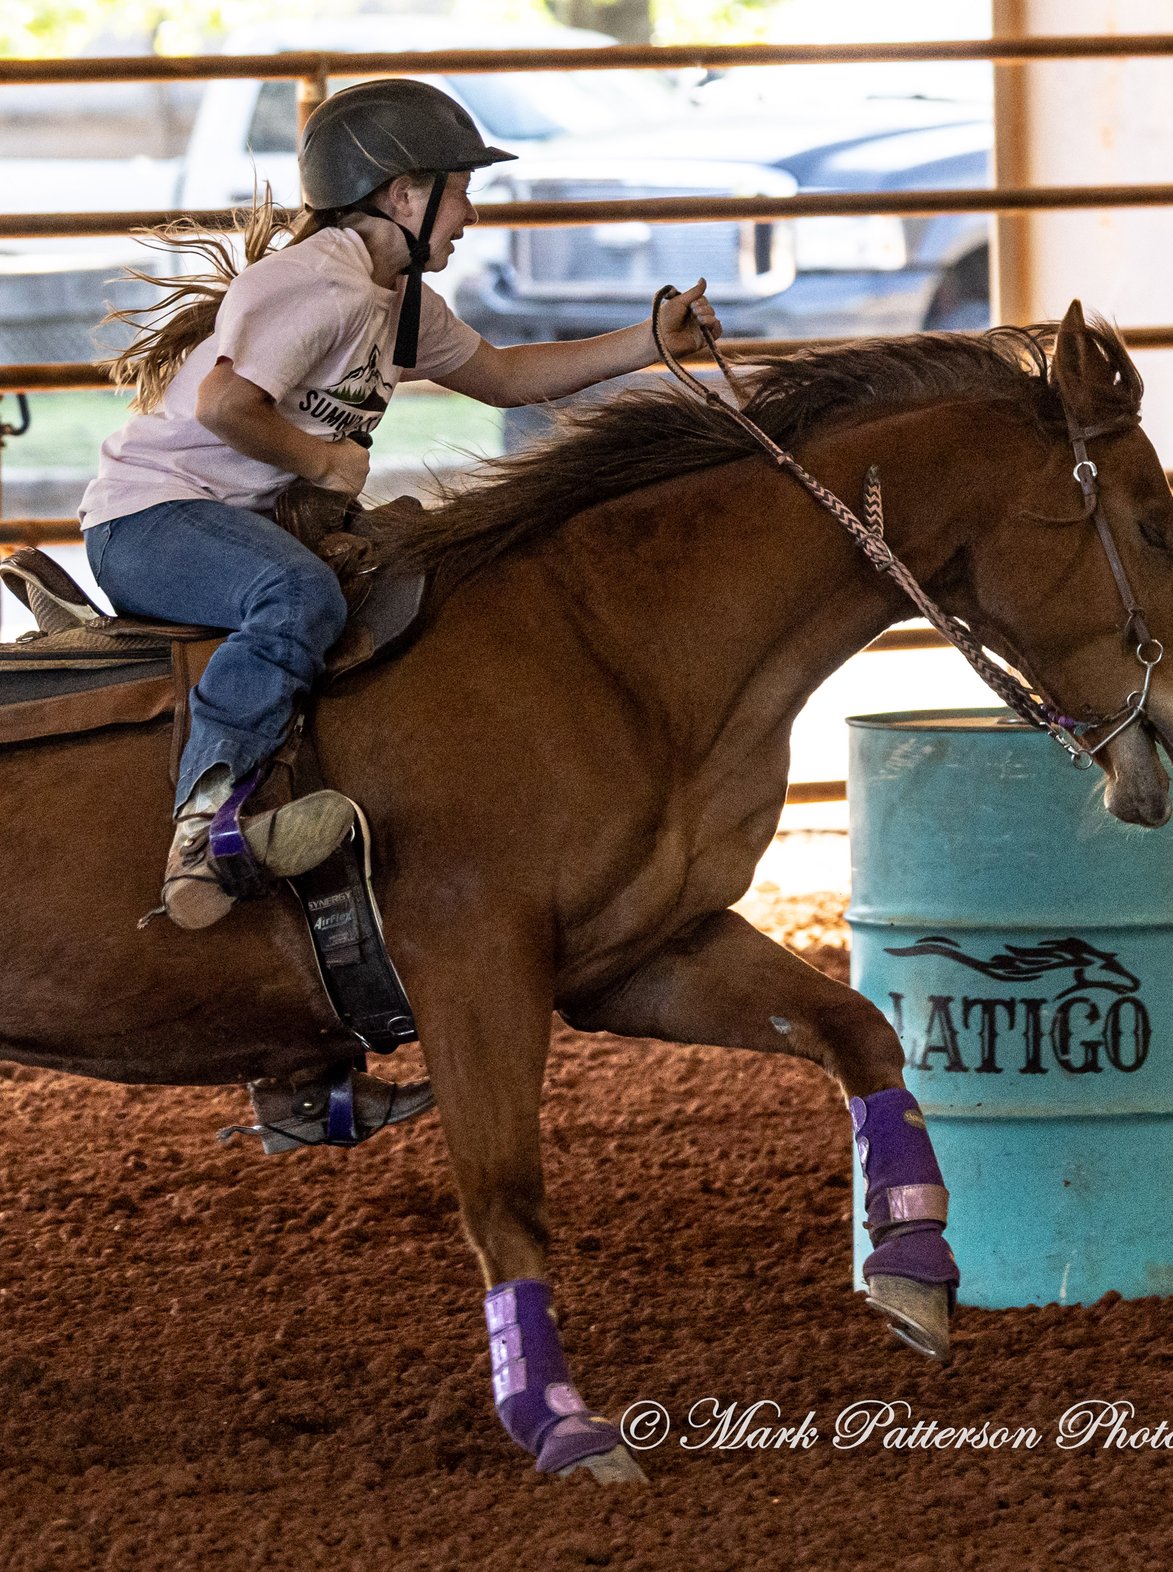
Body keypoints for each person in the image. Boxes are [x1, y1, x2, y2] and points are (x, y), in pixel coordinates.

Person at [79, 78, 720, 1150]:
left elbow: (506, 378)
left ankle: (299, 1061)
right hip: (154, 523)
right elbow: (226, 405)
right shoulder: (318, 288)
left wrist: (645, 342)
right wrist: (319, 459)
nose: (470, 214)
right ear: (401, 193)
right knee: (296, 596)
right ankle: (205, 819)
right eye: (459, 192)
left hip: (227, 522)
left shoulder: (396, 302)